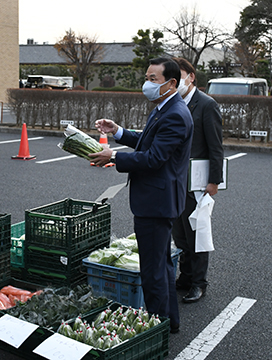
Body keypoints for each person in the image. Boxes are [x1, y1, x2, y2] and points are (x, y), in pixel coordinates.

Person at [89, 57, 194, 334]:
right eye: (146, 77)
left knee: (152, 271)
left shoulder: (175, 114)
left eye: (153, 79)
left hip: (157, 203)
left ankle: (156, 328)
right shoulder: (165, 107)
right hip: (158, 200)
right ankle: (168, 322)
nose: (147, 84)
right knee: (160, 266)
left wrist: (114, 156)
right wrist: (119, 132)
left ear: (171, 83)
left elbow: (154, 158)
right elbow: (149, 141)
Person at [171, 57, 223, 303]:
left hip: (198, 180)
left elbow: (216, 147)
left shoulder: (206, 105)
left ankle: (199, 283)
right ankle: (186, 276)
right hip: (175, 179)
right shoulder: (172, 102)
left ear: (191, 77)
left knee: (197, 233)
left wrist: (214, 181)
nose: (175, 81)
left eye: (179, 75)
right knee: (179, 232)